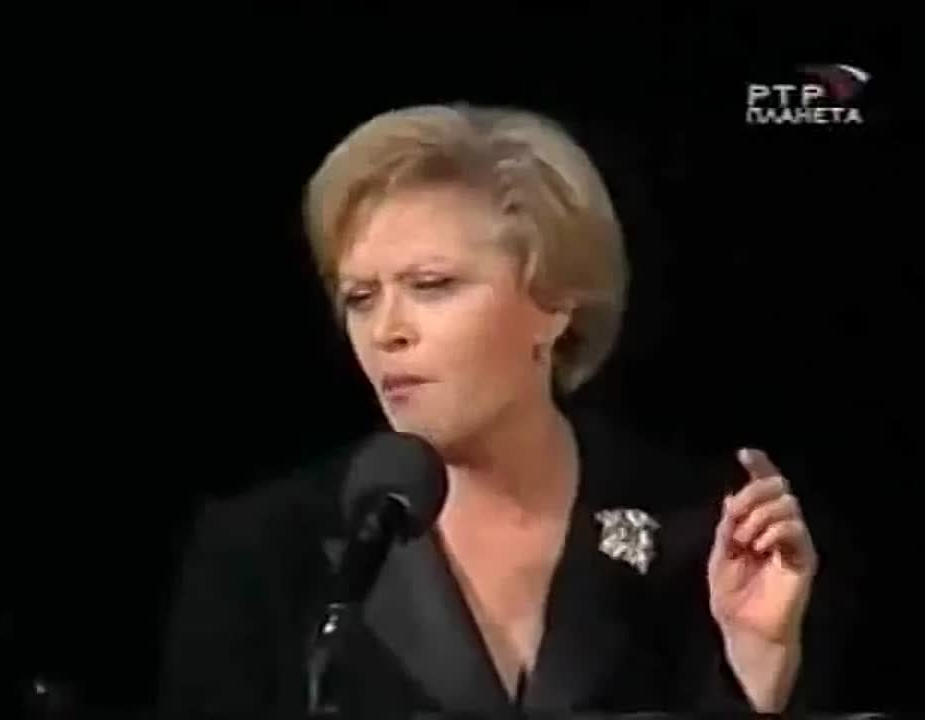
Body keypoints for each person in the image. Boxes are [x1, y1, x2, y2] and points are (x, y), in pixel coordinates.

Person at [158, 102, 832, 719]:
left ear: (554, 302)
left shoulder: (711, 534)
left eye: (431, 285)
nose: (386, 331)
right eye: (361, 297)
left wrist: (759, 670)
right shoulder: (263, 554)